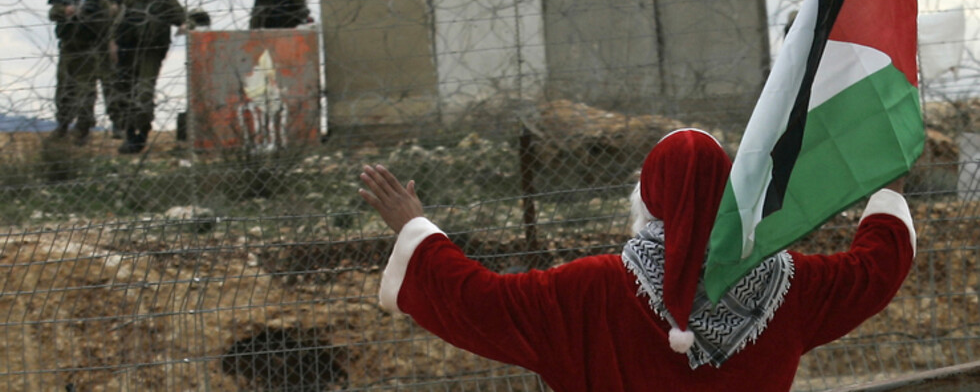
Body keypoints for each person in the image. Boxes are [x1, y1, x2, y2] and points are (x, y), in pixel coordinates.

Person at [358, 129, 915, 392]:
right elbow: (873, 269)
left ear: (648, 201)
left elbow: (478, 301)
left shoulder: (589, 292)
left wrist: (414, 227)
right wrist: (886, 184)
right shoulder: (788, 286)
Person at [115, 0, 186, 154]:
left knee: (144, 92)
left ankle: (142, 132)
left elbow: (183, 17)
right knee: (127, 93)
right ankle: (130, 134)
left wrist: (184, 25)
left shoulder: (165, 0)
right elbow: (118, 22)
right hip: (129, 51)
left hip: (151, 52)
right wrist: (113, 43)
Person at [48, 0, 113, 145]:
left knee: (86, 92)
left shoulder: (100, 1)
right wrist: (65, 11)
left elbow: (106, 21)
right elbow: (53, 12)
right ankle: (62, 125)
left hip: (88, 51)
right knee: (64, 90)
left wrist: (87, 16)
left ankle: (83, 129)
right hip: (68, 49)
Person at [89, 0, 127, 136]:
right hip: (88, 42)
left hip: (108, 41)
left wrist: (114, 40)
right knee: (86, 88)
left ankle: (118, 123)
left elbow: (121, 15)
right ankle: (84, 126)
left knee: (111, 85)